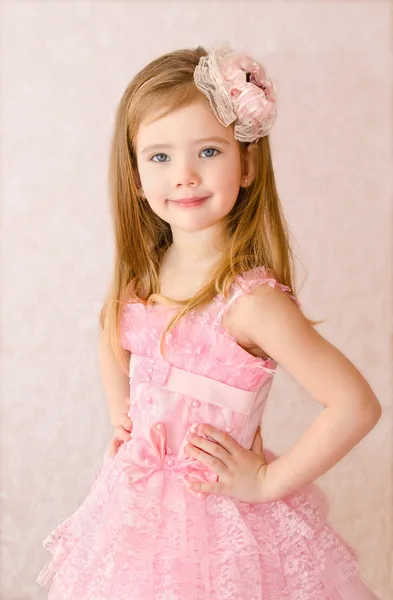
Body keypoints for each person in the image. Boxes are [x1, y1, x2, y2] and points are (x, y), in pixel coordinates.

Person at [37, 44, 382, 599]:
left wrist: (268, 480)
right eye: (160, 157)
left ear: (246, 164)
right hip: (133, 514)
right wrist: (122, 414)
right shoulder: (142, 279)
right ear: (134, 178)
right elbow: (111, 333)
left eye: (208, 151)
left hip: (221, 525)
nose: (185, 176)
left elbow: (355, 404)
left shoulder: (249, 302)